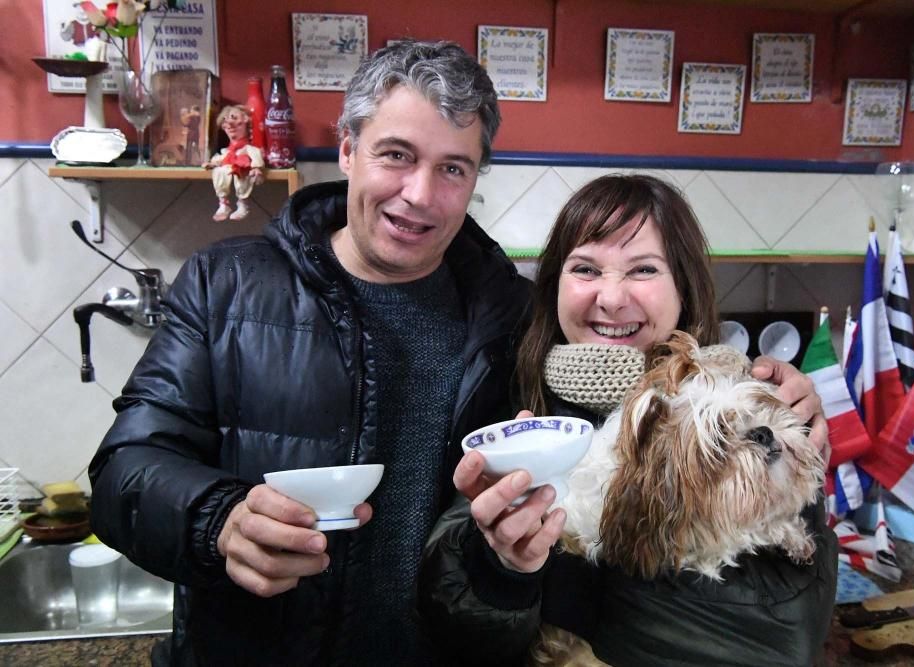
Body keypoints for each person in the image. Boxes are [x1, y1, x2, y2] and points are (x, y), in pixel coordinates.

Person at [89, 40, 531, 666]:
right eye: (396, 156)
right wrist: (219, 522)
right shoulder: (227, 284)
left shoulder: (509, 314)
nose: (421, 194)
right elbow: (123, 470)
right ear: (348, 151)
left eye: (453, 169)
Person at [418, 174, 837, 666]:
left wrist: (569, 590)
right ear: (554, 286)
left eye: (642, 269)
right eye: (586, 269)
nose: (612, 298)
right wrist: (503, 571)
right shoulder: (511, 408)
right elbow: (452, 624)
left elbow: (784, 634)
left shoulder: (755, 402)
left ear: (683, 285)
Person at [203, 104, 264, 221]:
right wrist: (213, 163)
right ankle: (223, 203)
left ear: (246, 122)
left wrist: (257, 168)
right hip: (229, 165)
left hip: (242, 166)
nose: (230, 125)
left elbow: (255, 156)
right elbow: (223, 158)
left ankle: (242, 204)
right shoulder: (228, 151)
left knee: (241, 171)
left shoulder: (248, 149)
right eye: (225, 123)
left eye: (235, 120)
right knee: (220, 171)